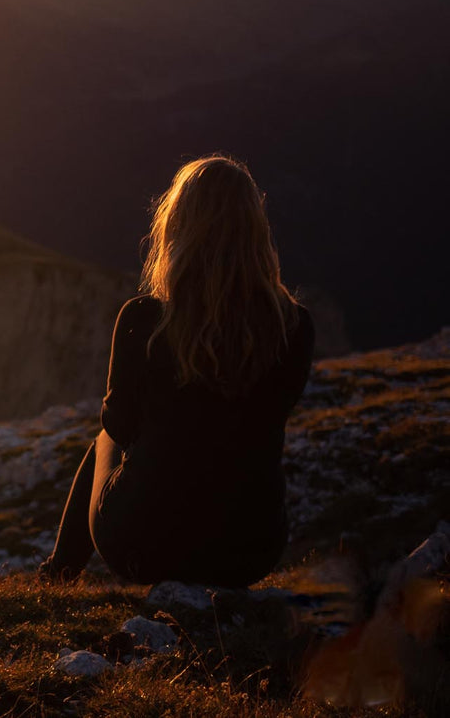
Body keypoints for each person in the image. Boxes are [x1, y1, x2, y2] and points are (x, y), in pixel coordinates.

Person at [39, 154, 315, 587]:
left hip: (142, 547)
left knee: (103, 436)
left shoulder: (146, 318)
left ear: (178, 226)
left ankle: (58, 575)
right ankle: (58, 575)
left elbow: (119, 425)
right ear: (256, 231)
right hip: (250, 552)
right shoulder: (294, 327)